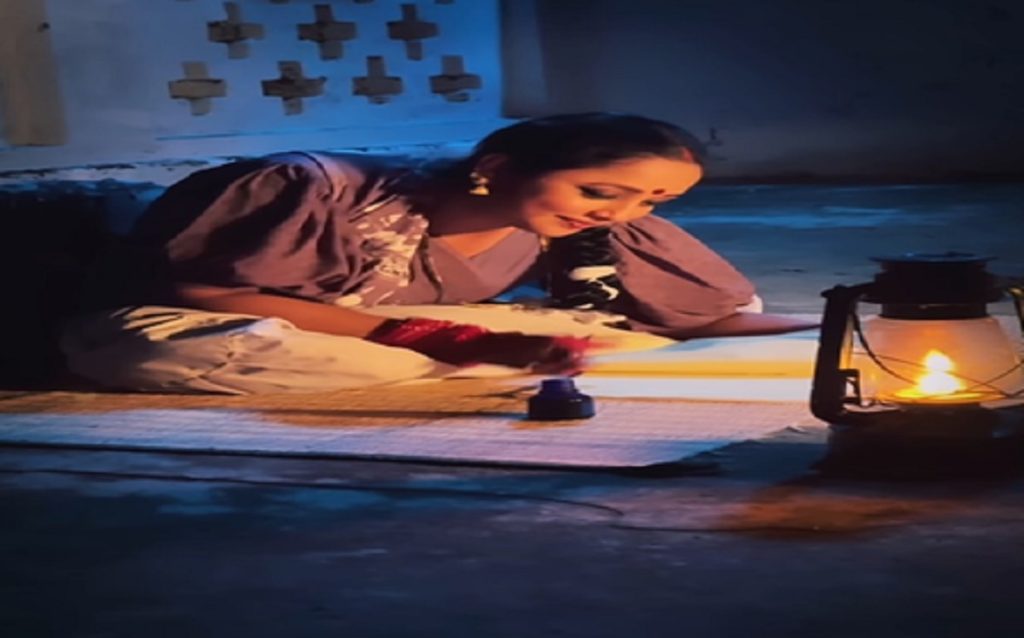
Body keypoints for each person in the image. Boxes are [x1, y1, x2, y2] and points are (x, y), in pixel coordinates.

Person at [61, 112, 813, 394]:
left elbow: (695, 317)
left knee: (602, 332)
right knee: (161, 350)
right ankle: (476, 358)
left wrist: (827, 323)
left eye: (651, 201)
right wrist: (441, 337)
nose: (620, 213)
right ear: (497, 169)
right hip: (193, 319)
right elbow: (206, 295)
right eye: (599, 191)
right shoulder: (308, 187)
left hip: (377, 336)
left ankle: (479, 356)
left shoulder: (578, 226)